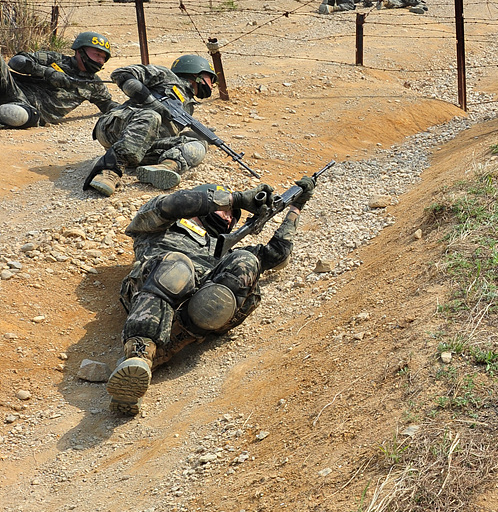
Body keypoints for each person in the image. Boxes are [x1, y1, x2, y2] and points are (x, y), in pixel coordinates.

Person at [105, 178, 314, 416]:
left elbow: (277, 254)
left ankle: (164, 349)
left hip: (199, 307)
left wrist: (296, 207)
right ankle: (140, 354)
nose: (229, 218)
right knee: (178, 266)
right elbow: (175, 204)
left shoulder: (222, 247)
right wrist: (237, 199)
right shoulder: (158, 225)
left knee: (246, 262)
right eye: (225, 211)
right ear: (205, 201)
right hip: (154, 292)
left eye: (233, 217)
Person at [85, 54, 219, 196]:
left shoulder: (189, 106)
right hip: (114, 127)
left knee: (197, 142)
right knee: (151, 116)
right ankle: (109, 171)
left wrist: (193, 135)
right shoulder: (167, 77)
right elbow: (121, 74)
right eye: (211, 80)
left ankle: (166, 166)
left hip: (142, 145)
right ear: (197, 74)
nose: (212, 85)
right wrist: (150, 102)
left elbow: (164, 131)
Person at [1, 31, 115, 129]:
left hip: (32, 111)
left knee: (15, 115)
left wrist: (131, 104)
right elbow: (16, 61)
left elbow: (108, 105)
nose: (101, 60)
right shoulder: (54, 59)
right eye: (97, 54)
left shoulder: (94, 84)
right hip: (13, 89)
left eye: (104, 58)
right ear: (80, 51)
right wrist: (47, 72)